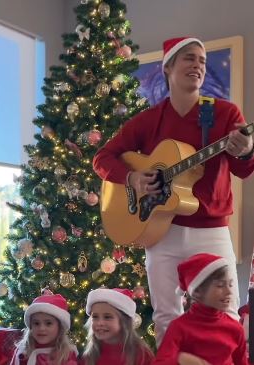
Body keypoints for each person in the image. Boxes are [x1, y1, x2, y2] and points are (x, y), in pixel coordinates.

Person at [93, 36, 254, 344]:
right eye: (189, 58)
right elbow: (102, 158)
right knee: (166, 316)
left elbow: (244, 171)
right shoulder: (148, 121)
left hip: (211, 229)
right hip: (161, 230)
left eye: (203, 62)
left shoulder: (225, 114)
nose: (198, 66)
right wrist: (133, 178)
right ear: (168, 67)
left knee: (228, 313)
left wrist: (245, 151)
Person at [153, 253, 248, 364]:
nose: (229, 292)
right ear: (197, 292)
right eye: (220, 285)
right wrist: (181, 359)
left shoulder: (235, 328)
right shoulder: (179, 327)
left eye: (230, 285)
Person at [81, 288, 153, 365]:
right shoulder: (90, 355)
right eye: (95, 317)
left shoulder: (141, 353)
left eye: (107, 317)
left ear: (124, 322)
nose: (100, 323)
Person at [9, 293, 78, 365]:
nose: (41, 328)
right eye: (36, 323)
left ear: (59, 327)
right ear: (30, 326)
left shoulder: (67, 354)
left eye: (48, 323)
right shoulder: (22, 351)